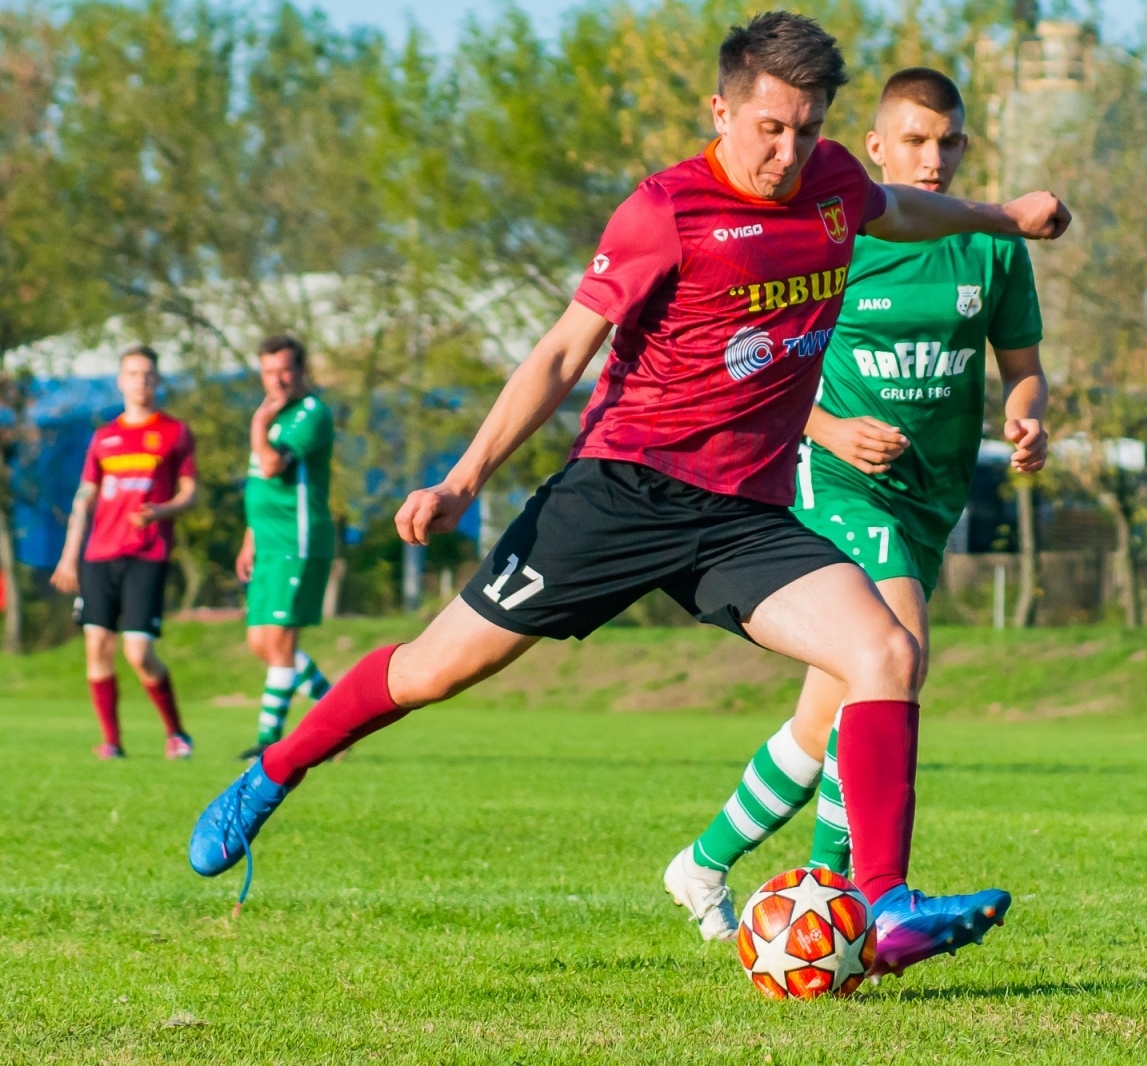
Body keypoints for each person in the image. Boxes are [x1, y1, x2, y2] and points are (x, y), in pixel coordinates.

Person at [187, 11, 1069, 977]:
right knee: (434, 671)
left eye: (808, 129)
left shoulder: (833, 188)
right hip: (619, 496)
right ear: (721, 109)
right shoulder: (666, 210)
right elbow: (564, 350)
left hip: (742, 518)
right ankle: (272, 770)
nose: (788, 151)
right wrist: (463, 476)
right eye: (770, 127)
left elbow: (902, 209)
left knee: (885, 650)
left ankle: (888, 905)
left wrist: (1004, 218)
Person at [663, 67, 1047, 941]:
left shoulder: (989, 247)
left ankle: (702, 862)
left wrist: (1029, 421)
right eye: (914, 140)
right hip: (832, 481)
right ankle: (857, 902)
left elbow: (1022, 369)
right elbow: (759, 356)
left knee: (824, 715)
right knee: (895, 649)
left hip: (928, 501)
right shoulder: (840, 232)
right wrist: (831, 430)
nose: (933, 157)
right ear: (874, 149)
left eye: (948, 142)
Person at [50, 344, 197, 759]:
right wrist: (68, 556)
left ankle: (176, 733)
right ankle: (111, 742)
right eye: (133, 373)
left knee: (138, 652)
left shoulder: (174, 432)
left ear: (158, 380)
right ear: (121, 380)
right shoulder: (104, 438)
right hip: (99, 555)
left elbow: (191, 492)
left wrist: (163, 510)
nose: (141, 381)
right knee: (96, 644)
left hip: (147, 553)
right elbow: (85, 498)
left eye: (149, 374)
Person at [236, 335, 338, 759]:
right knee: (261, 643)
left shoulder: (310, 413)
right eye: (267, 371)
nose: (275, 380)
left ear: (301, 371)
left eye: (284, 370)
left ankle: (267, 740)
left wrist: (257, 427)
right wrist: (249, 539)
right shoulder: (275, 415)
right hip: (268, 543)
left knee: (279, 644)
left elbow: (273, 466)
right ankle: (339, 717)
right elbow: (260, 487)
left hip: (297, 541)